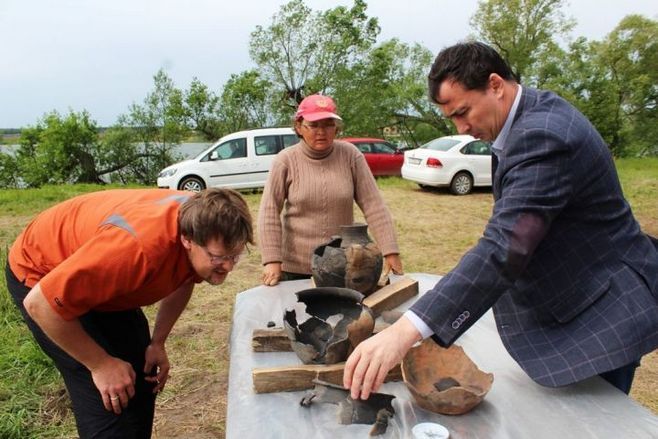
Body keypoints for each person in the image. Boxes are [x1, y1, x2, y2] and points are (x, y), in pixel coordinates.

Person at [343, 41, 658, 400]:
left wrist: (405, 331)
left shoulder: (544, 135)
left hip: (603, 312)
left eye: (464, 112)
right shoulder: (523, 120)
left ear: (495, 84)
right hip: (576, 297)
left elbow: (506, 246)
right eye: (452, 119)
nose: (462, 128)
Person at [5, 188, 253, 438]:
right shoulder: (138, 250)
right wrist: (100, 364)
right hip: (43, 273)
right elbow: (40, 304)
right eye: (219, 257)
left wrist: (158, 342)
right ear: (188, 240)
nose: (230, 266)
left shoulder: (206, 218)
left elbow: (186, 277)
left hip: (100, 276)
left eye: (236, 255)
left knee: (142, 376)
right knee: (107, 398)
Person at [258, 94, 403, 285]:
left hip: (342, 266)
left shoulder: (351, 155)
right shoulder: (285, 160)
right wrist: (272, 260)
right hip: (295, 269)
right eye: (314, 125)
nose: (321, 131)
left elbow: (373, 205)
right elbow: (268, 212)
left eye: (328, 124)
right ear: (299, 127)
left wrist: (390, 251)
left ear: (337, 128)